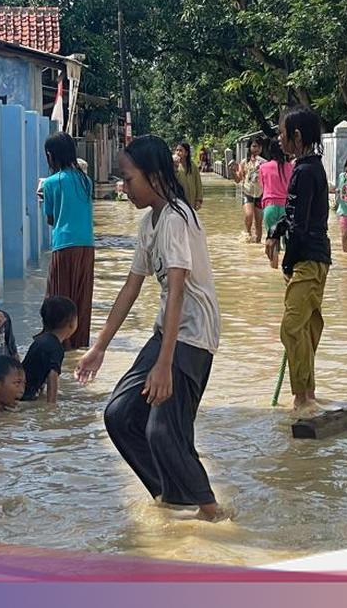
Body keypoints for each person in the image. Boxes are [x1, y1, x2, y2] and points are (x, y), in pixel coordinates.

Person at [75, 134, 227, 522]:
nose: (123, 188)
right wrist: (99, 347)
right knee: (120, 414)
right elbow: (131, 285)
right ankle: (171, 497)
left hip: (193, 336)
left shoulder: (177, 218)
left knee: (164, 431)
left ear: (155, 176)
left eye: (128, 179)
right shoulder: (150, 222)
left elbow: (177, 290)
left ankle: (213, 514)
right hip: (169, 333)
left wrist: (164, 364)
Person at [267, 105, 331, 415]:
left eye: (282, 134)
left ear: (296, 136)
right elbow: (293, 218)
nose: (279, 140)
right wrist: (275, 230)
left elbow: (300, 226)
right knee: (305, 327)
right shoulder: (311, 167)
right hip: (318, 259)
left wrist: (288, 263)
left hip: (308, 259)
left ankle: (303, 398)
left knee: (292, 328)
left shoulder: (305, 171)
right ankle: (307, 395)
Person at [42, 131, 95, 350]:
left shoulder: (50, 183)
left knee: (58, 297)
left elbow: (51, 219)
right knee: (81, 296)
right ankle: (80, 342)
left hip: (64, 244)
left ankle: (59, 344)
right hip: (87, 245)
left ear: (50, 155)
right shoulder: (86, 181)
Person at [22, 296, 78, 402]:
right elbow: (52, 376)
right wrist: (51, 405)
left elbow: (38, 371)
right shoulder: (56, 347)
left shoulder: (42, 340)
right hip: (27, 395)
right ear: (71, 323)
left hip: (20, 389)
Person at [257, 138, 293, 269]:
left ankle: (273, 269)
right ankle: (287, 271)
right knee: (288, 242)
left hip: (269, 207)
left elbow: (262, 186)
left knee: (273, 241)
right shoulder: (291, 167)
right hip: (287, 208)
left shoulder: (263, 167)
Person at [236, 138, 268, 243]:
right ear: (249, 148)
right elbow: (238, 179)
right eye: (254, 146)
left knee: (259, 222)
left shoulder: (265, 163)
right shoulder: (244, 162)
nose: (256, 149)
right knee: (248, 215)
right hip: (247, 192)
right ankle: (248, 235)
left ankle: (258, 243)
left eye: (259, 146)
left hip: (260, 193)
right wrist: (232, 171)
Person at [173, 141, 204, 211]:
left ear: (186, 153)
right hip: (178, 200)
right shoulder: (173, 166)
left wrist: (198, 200)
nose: (178, 152)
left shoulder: (193, 166)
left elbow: (198, 183)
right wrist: (174, 166)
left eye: (180, 150)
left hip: (191, 199)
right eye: (177, 150)